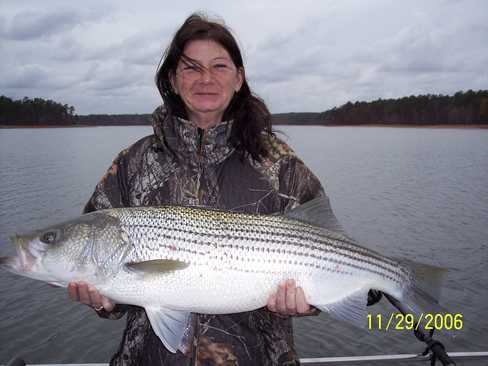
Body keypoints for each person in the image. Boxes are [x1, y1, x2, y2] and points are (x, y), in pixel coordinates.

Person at [68, 13, 340, 365]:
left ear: (239, 78)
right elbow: (100, 266)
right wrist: (104, 299)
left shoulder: (281, 166)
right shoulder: (132, 163)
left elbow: (327, 252)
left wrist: (308, 302)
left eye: (220, 67)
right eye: (191, 68)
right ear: (172, 79)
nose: (206, 79)